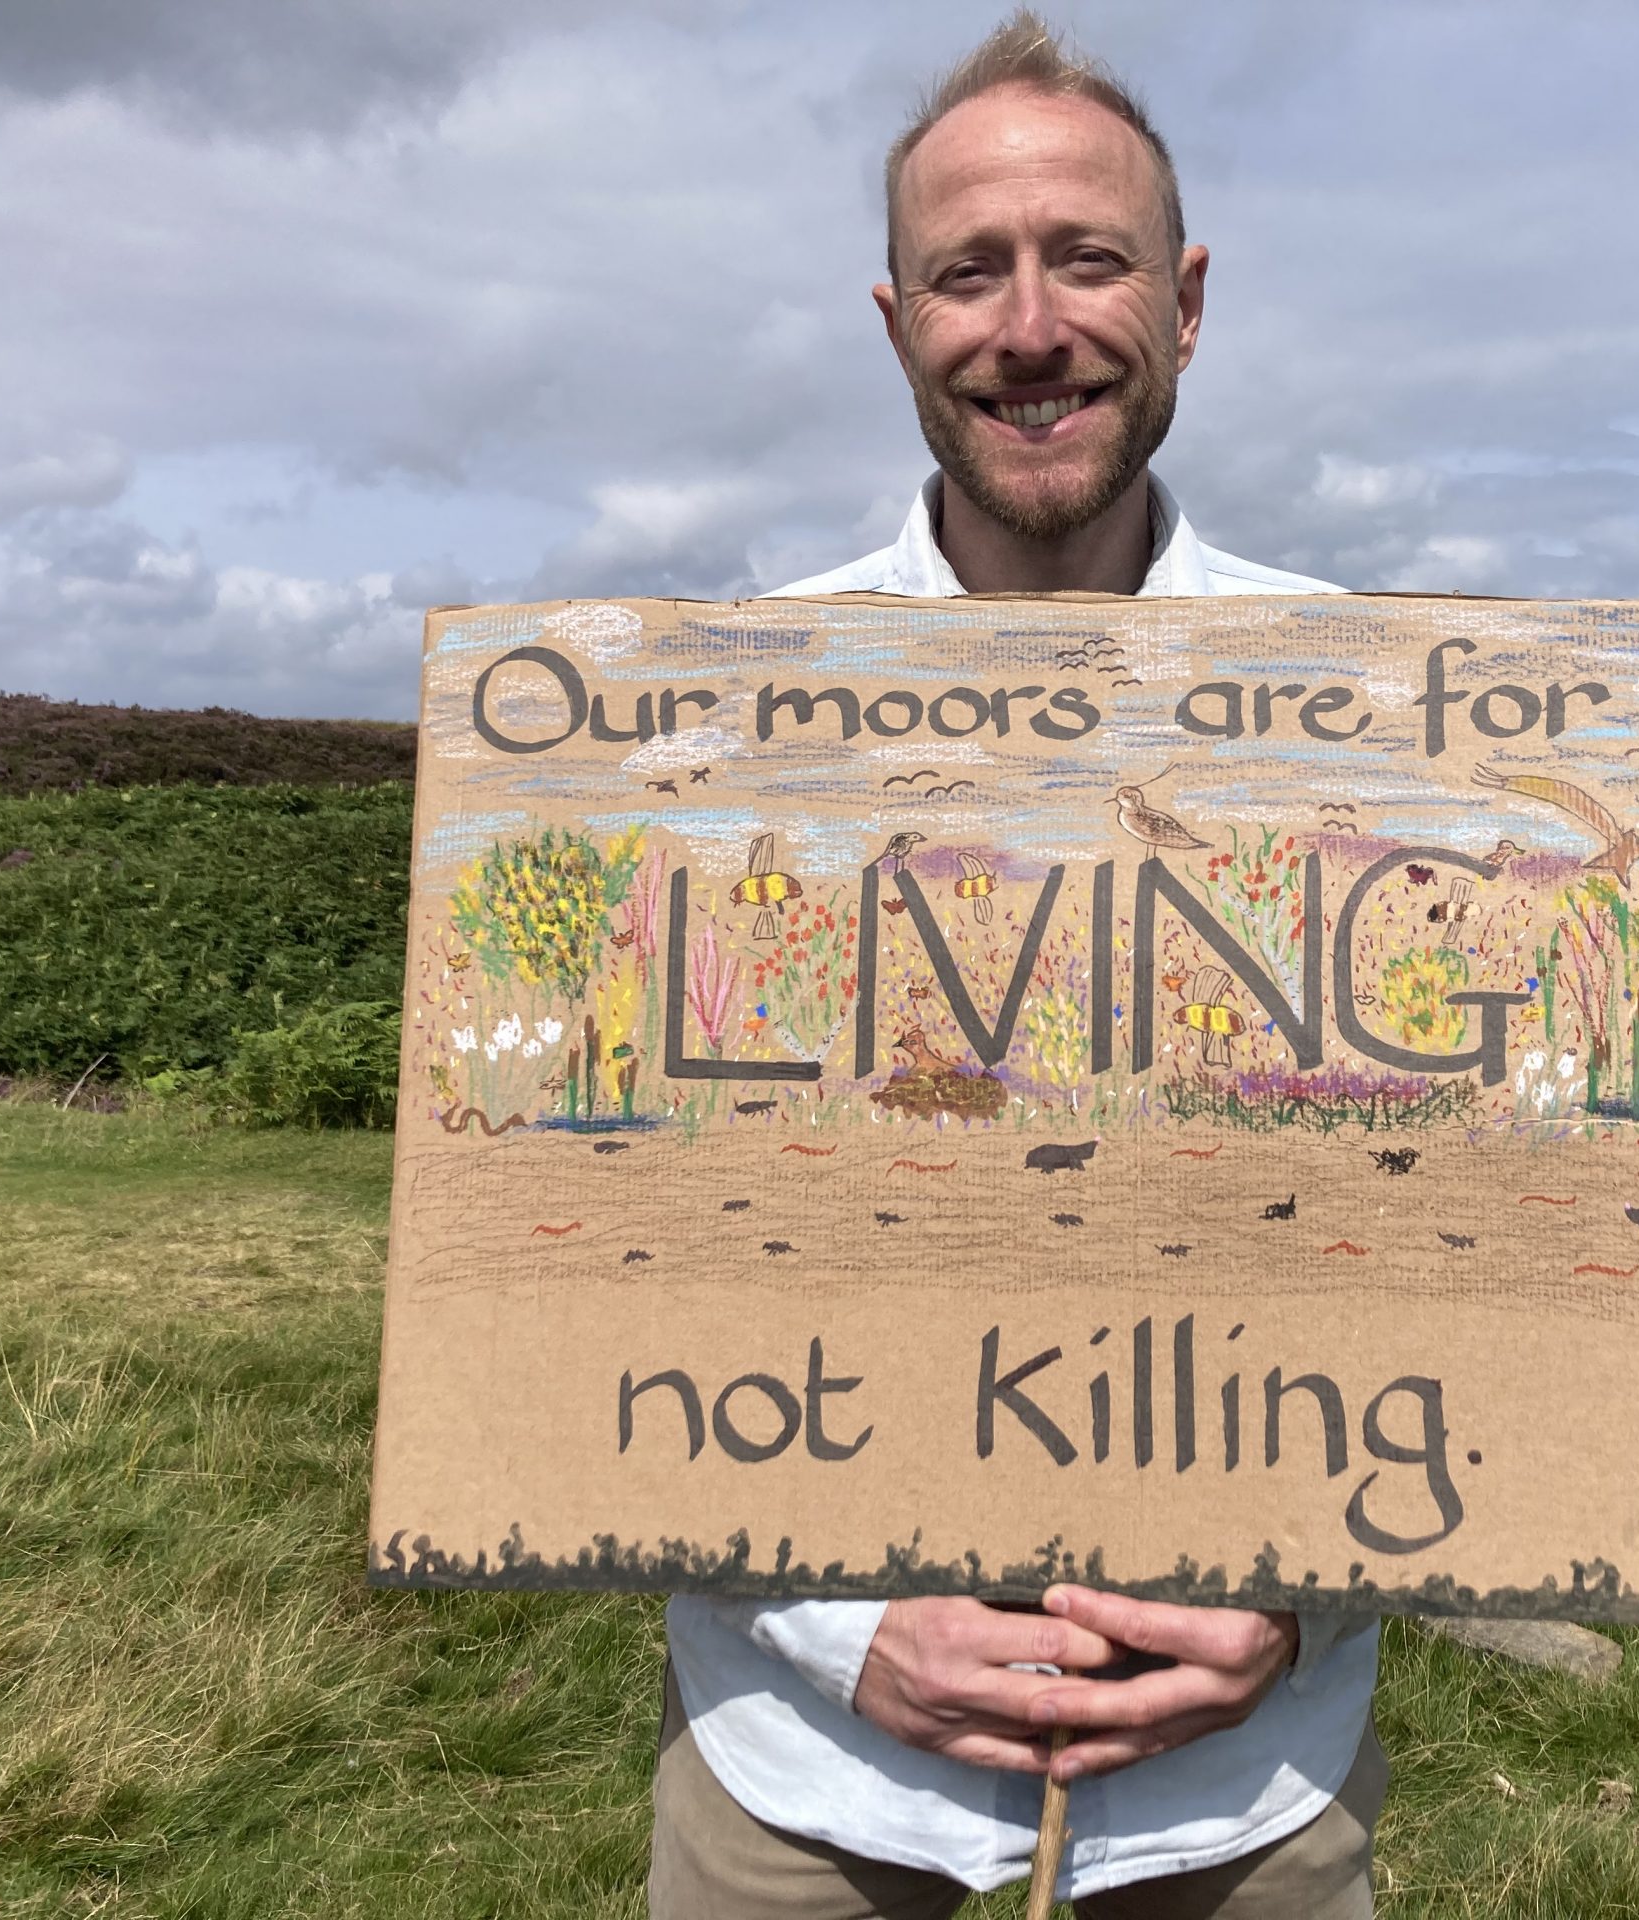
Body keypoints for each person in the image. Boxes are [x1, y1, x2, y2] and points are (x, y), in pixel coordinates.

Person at [647, 14, 1383, 1917]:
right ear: (898, 319)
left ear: (1191, 302)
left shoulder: (1383, 716)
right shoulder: (715, 725)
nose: (1032, 326)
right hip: (807, 1785)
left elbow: (1504, 1260)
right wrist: (836, 1624)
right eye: (972, 271)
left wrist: (1303, 1601)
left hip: (1247, 1799)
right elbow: (616, 1269)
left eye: (1091, 258)